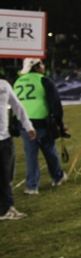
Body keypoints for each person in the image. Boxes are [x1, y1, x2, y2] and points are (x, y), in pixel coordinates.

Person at [14, 58, 68, 194]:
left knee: (31, 156)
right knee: (50, 152)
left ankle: (32, 186)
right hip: (42, 123)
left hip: (24, 124)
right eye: (41, 64)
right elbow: (55, 105)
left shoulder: (17, 82)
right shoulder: (44, 81)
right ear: (36, 67)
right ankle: (57, 177)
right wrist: (60, 124)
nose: (44, 67)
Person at [0, 79, 36, 220]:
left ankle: (5, 208)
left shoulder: (3, 85)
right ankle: (5, 209)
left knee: (7, 175)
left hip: (4, 139)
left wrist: (28, 126)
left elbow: (17, 106)